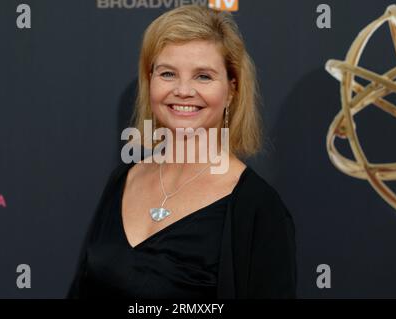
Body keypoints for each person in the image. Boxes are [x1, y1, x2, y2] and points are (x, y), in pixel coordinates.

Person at [68, 5, 297, 299]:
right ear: (149, 82)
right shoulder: (123, 180)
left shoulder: (258, 209)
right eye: (168, 73)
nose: (183, 90)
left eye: (203, 76)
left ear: (231, 90)